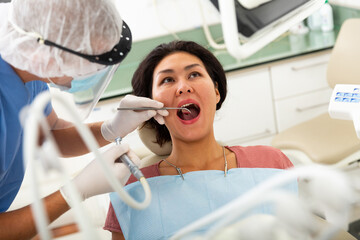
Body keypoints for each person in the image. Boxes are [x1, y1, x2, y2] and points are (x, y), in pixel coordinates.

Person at [0, 0, 168, 239]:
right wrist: (74, 192)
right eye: (90, 61)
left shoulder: (29, 72)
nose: (90, 72)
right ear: (47, 52)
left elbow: (50, 134)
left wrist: (110, 129)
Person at [103, 40, 297, 239]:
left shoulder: (272, 163)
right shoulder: (133, 188)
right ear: (150, 106)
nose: (183, 87)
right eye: (167, 80)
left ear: (216, 92)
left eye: (194, 74)